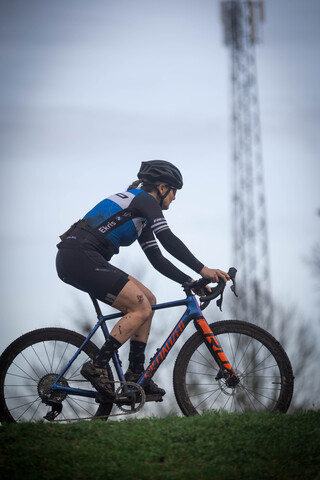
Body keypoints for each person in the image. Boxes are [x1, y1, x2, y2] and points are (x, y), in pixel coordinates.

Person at [56, 160, 230, 398]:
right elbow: (167, 239)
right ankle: (97, 365)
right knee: (139, 306)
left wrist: (188, 281)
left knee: (148, 299)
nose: (174, 198)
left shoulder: (140, 214)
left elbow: (157, 258)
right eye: (174, 192)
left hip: (81, 257)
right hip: (79, 256)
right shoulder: (144, 200)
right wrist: (203, 269)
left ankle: (136, 376)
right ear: (162, 188)